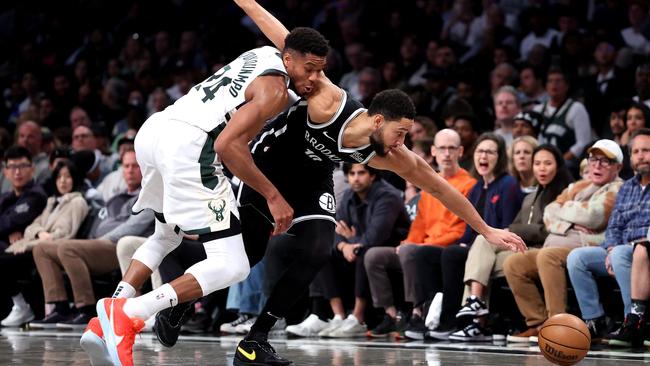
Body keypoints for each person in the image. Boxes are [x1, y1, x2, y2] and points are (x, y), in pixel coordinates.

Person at [219, 2, 524, 365]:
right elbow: (286, 38)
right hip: (274, 162)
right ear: (378, 121)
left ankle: (256, 339)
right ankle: (179, 303)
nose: (402, 143)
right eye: (400, 133)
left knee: (318, 248)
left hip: (314, 176)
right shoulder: (327, 100)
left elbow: (442, 188)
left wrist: (486, 229)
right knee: (246, 256)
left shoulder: (392, 155)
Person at [81, 26, 331, 366]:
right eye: (310, 69)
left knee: (165, 234)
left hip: (156, 130)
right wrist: (273, 195)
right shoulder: (274, 89)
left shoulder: (262, 54)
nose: (316, 78)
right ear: (289, 60)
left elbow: (278, 37)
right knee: (233, 264)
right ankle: (129, 314)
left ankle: (103, 321)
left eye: (322, 70)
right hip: (191, 147)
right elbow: (228, 147)